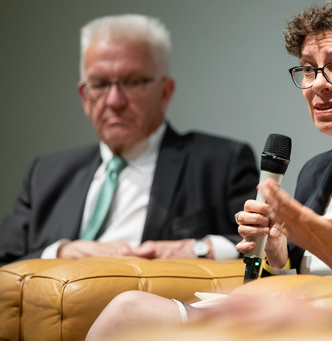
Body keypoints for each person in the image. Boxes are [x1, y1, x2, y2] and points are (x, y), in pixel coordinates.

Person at [86, 0, 332, 340]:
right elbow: (294, 281)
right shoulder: (316, 174)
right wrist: (279, 258)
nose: (317, 84)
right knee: (127, 313)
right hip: (291, 327)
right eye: (308, 69)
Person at [0, 14, 258, 266]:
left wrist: (198, 248)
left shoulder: (220, 163)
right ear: (84, 97)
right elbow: (6, 260)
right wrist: (61, 252)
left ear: (165, 92)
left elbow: (262, 247)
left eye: (132, 82)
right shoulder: (46, 175)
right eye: (100, 84)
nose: (114, 101)